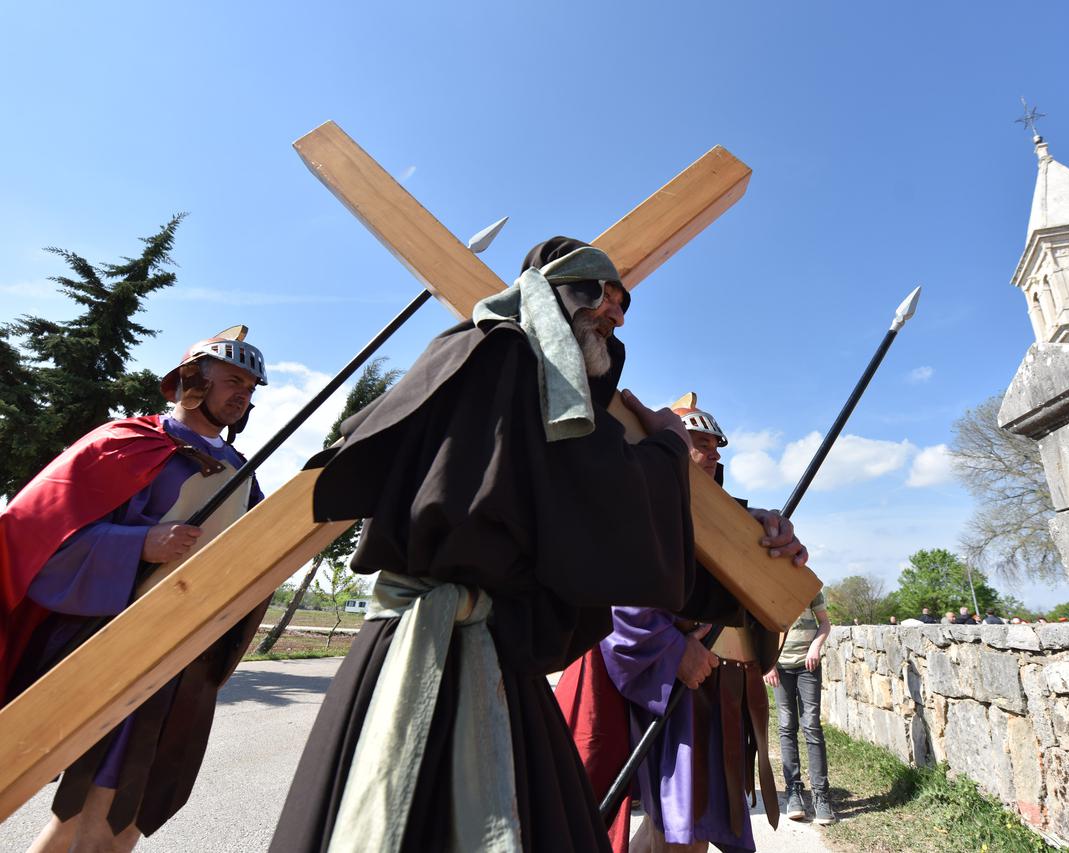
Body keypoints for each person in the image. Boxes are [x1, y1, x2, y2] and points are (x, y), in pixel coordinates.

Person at [269, 239, 807, 853]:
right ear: (555, 296)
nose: (619, 315)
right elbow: (600, 502)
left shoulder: (536, 388)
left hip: (493, 653)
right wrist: (665, 451)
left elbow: (584, 509)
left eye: (624, 302)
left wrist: (750, 538)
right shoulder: (501, 357)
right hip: (437, 653)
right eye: (605, 296)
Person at [0, 327, 268, 852]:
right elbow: (33, 533)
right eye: (233, 380)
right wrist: (140, 543)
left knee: (124, 821)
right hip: (107, 641)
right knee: (93, 816)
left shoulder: (242, 476)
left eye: (252, 388)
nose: (244, 394)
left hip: (185, 658)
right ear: (192, 382)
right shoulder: (124, 442)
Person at [586, 394, 804, 853]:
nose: (713, 454)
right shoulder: (639, 501)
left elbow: (754, 586)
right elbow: (615, 591)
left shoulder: (726, 520)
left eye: (715, 447)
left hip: (718, 686)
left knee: (688, 828)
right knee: (678, 826)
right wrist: (671, 650)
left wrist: (771, 543)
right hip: (673, 685)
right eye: (700, 443)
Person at [765, 587, 835, 826]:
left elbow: (824, 623)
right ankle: (794, 791)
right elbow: (760, 629)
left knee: (812, 726)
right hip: (780, 666)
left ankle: (821, 795)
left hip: (808, 665)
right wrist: (768, 662)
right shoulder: (767, 585)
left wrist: (815, 647)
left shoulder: (808, 585)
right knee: (786, 726)